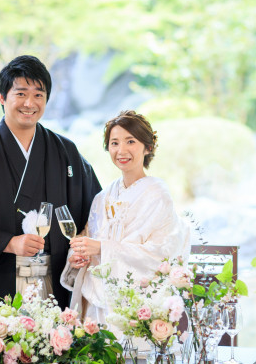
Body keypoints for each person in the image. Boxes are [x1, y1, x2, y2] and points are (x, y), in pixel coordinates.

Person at [0, 55, 101, 309]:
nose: (30, 103)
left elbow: (94, 210)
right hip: (1, 282)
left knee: (57, 344)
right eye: (20, 93)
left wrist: (83, 247)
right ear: (2, 98)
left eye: (39, 95)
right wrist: (9, 242)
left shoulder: (66, 152)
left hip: (57, 280)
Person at [60, 110, 190, 322]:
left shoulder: (157, 195)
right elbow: (88, 243)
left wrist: (103, 248)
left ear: (148, 147)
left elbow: (161, 255)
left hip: (135, 308)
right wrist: (78, 259)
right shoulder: (102, 198)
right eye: (114, 143)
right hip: (97, 308)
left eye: (130, 141)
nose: (121, 150)